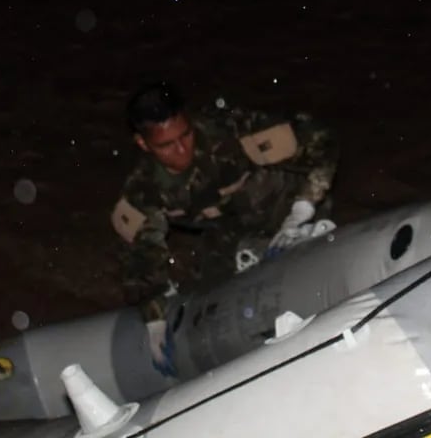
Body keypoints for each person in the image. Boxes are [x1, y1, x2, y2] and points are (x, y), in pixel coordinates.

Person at [111, 80, 339, 322]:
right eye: (166, 145)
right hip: (230, 232)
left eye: (185, 135)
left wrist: (301, 210)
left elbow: (320, 140)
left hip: (283, 208)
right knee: (213, 300)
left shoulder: (230, 132)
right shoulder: (144, 190)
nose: (182, 150)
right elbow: (141, 264)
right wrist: (155, 319)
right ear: (143, 143)